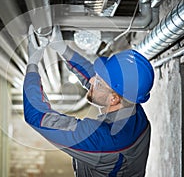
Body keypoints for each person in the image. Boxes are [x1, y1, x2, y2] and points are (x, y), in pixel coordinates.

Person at [23, 25, 154, 177]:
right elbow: (101, 84)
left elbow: (37, 117)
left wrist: (32, 64)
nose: (91, 80)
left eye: (98, 82)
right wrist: (62, 49)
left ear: (113, 99)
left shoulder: (103, 141)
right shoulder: (132, 105)